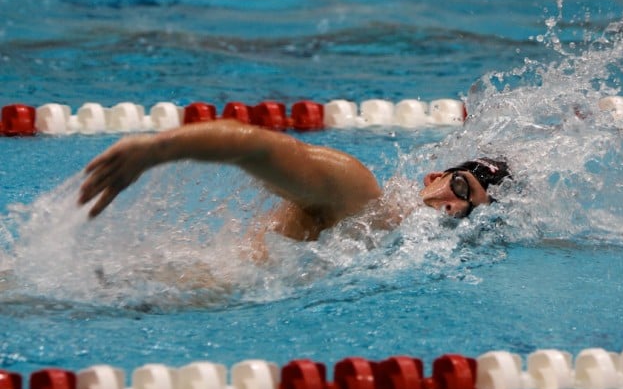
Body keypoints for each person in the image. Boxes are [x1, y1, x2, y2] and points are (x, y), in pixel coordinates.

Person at [78, 119, 511, 259]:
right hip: (165, 292)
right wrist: (156, 151)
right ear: (432, 177)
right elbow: (258, 147)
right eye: (460, 185)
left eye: (469, 208)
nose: (453, 206)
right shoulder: (357, 192)